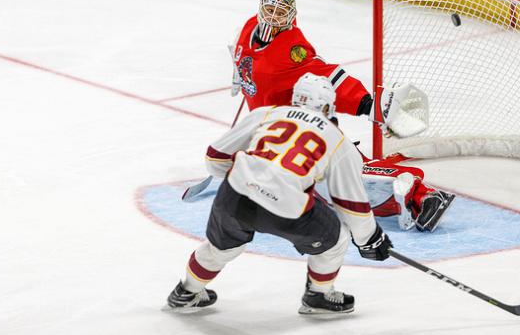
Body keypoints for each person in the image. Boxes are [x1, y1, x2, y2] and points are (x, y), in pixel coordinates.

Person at [228, 0, 454, 232]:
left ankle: (421, 194)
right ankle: (405, 194)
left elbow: (330, 76)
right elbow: (241, 54)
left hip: (298, 129)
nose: (273, 17)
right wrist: (239, 74)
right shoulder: (250, 27)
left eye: (280, 13)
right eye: (269, 9)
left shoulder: (293, 49)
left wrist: (366, 104)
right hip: (272, 134)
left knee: (344, 183)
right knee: (327, 188)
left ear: (292, 16)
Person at [167, 74, 393, 313]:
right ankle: (319, 296)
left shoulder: (267, 113)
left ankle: (187, 291)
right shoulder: (338, 139)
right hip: (286, 208)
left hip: (234, 194)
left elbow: (215, 157)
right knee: (336, 240)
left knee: (222, 246)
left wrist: (249, 178)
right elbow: (350, 203)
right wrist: (369, 238)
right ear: (327, 105)